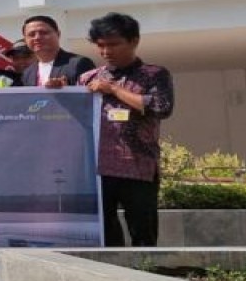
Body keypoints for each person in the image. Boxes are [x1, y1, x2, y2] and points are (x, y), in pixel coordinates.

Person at [79, 13, 174, 247]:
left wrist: (112, 89)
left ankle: (147, 278)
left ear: (134, 41)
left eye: (113, 44)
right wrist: (57, 89)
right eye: (100, 46)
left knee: (143, 232)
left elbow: (161, 107)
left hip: (138, 167)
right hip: (98, 170)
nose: (106, 52)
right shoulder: (88, 78)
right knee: (105, 233)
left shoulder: (154, 74)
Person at [21, 15, 95, 88]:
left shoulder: (79, 64)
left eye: (44, 33)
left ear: (58, 34)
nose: (37, 37)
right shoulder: (28, 73)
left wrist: (66, 90)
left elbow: (91, 96)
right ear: (25, 40)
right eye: (31, 34)